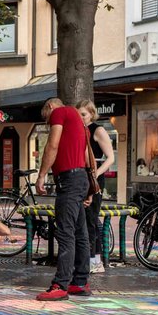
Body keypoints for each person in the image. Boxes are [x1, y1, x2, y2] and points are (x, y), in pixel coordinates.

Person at [37, 98, 93, 301]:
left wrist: (42, 174)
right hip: (80, 178)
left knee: (66, 233)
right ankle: (80, 282)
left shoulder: (60, 113)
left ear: (50, 106)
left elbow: (52, 146)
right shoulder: (80, 121)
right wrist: (89, 185)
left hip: (68, 180)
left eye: (46, 118)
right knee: (80, 233)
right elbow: (87, 156)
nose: (48, 122)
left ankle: (60, 284)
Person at [78, 100, 116, 274]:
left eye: (84, 114)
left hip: (93, 178)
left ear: (92, 114)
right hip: (82, 177)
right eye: (78, 114)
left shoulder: (97, 130)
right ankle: (87, 258)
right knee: (84, 220)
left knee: (91, 219)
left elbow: (110, 158)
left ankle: (95, 260)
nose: (81, 118)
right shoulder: (79, 130)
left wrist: (96, 174)